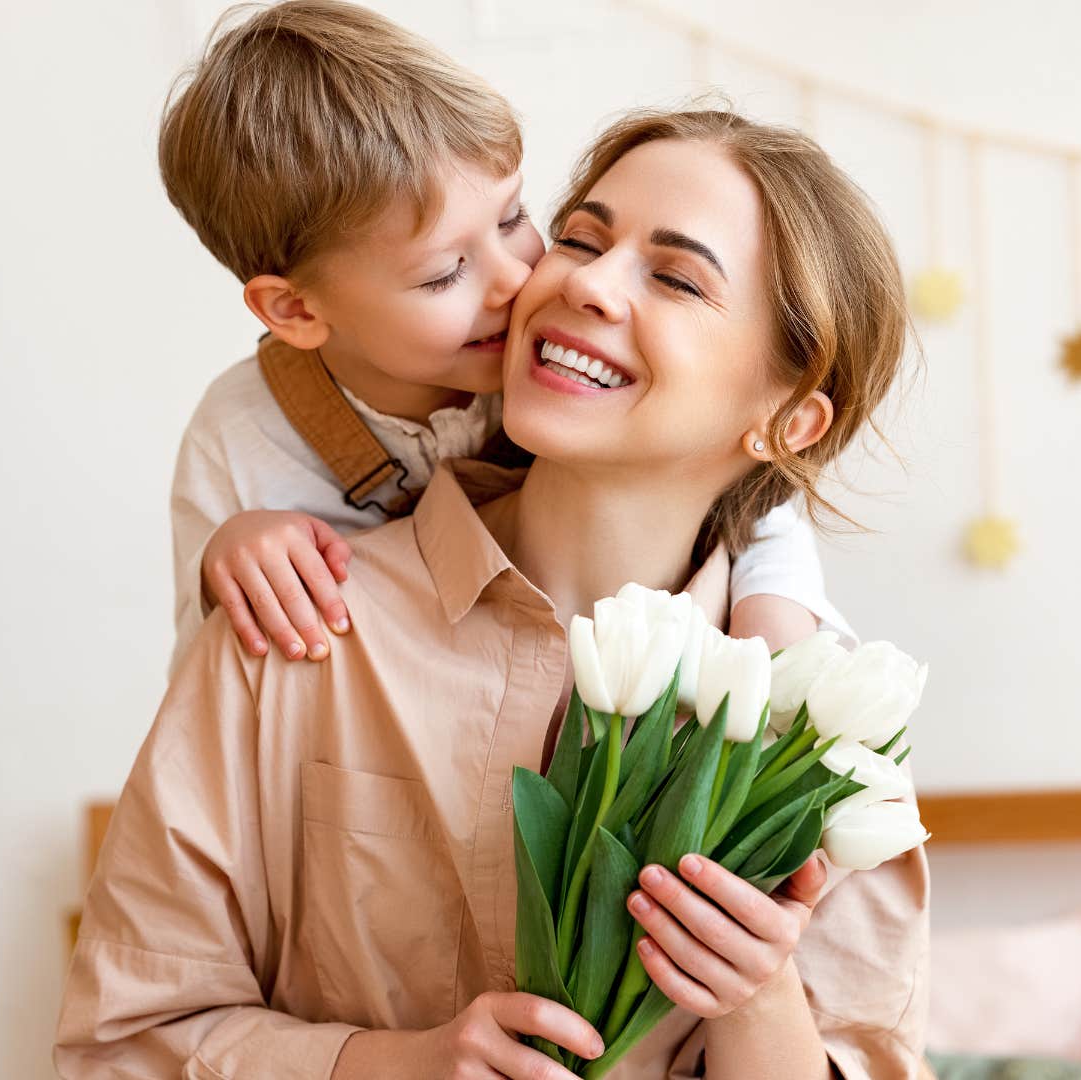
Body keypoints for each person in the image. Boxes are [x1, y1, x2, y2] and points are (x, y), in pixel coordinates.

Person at [56, 106, 926, 1079]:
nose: (584, 282)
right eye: (583, 237)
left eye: (675, 276)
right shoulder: (297, 629)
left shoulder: (823, 733)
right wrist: (394, 1067)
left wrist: (758, 999)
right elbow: (121, 1048)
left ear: (789, 418)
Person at [158, 1, 849, 680]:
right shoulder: (239, 438)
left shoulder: (542, 366)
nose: (515, 276)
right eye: (445, 273)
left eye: (515, 216)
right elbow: (209, 691)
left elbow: (746, 490)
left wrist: (776, 608)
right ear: (295, 310)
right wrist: (229, 558)